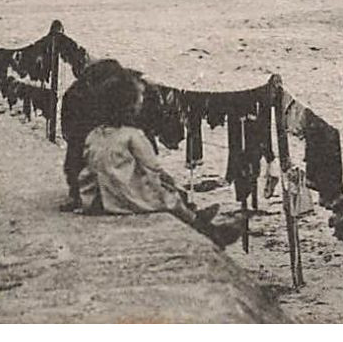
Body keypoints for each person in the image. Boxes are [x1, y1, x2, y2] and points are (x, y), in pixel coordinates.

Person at [76, 69, 241, 248]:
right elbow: (152, 168)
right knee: (171, 197)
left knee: (169, 192)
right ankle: (206, 228)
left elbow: (90, 169)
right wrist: (169, 188)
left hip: (99, 199)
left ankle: (198, 219)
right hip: (124, 199)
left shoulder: (94, 135)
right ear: (130, 106)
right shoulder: (133, 135)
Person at [60, 57, 132, 211]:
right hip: (84, 122)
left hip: (99, 118)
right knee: (79, 154)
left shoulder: (120, 85)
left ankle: (94, 194)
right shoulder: (77, 93)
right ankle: (78, 194)